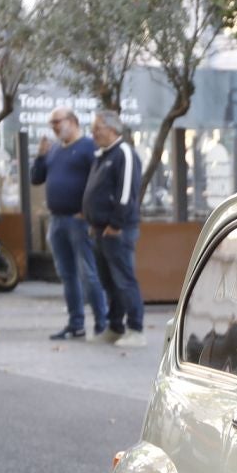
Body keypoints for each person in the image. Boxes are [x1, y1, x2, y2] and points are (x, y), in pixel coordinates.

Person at [30, 108, 106, 340]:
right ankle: (76, 323)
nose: (53, 127)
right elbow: (36, 179)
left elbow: (100, 182)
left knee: (88, 273)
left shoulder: (87, 147)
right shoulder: (53, 150)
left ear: (72, 121)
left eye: (57, 122)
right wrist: (41, 156)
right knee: (66, 274)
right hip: (57, 219)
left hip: (78, 220)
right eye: (51, 123)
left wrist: (88, 211)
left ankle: (102, 323)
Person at [84, 110, 146, 348]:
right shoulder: (102, 155)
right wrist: (94, 223)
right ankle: (115, 326)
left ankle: (136, 329)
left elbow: (126, 194)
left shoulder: (124, 153)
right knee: (108, 281)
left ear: (112, 129)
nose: (93, 133)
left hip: (117, 230)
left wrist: (115, 224)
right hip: (100, 229)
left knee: (124, 279)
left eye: (97, 128)